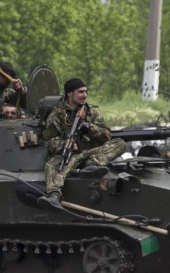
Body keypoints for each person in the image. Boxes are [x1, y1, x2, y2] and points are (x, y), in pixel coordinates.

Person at [38, 78, 126, 209]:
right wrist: (64, 144)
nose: (85, 95)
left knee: (120, 143)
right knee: (53, 164)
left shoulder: (91, 113)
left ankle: (92, 165)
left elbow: (107, 135)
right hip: (71, 154)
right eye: (80, 92)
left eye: (85, 92)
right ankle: (54, 195)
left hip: (92, 152)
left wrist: (89, 127)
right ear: (69, 93)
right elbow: (49, 142)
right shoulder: (56, 116)